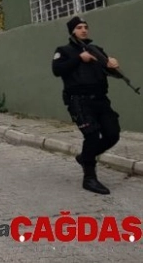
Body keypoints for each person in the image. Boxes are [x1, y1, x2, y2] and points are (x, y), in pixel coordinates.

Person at [52, 16, 121, 195]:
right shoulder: (64, 50)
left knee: (113, 134)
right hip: (79, 101)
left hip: (100, 100)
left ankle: (84, 157)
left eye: (85, 27)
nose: (83, 30)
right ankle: (89, 178)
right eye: (79, 27)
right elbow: (57, 70)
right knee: (91, 137)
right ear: (73, 31)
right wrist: (78, 59)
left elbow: (111, 72)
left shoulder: (97, 50)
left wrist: (113, 65)